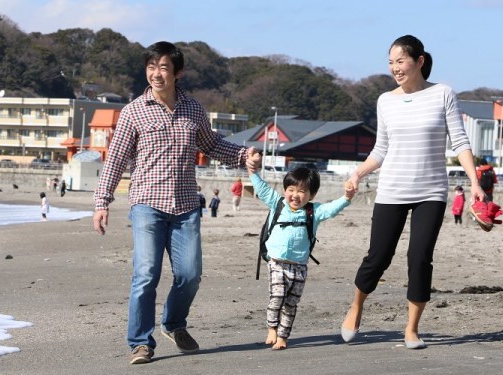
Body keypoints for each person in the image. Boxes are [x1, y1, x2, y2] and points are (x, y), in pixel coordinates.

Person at [92, 41, 260, 365]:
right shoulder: (133, 112)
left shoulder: (194, 109)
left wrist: (243, 155)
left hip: (185, 207)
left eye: (164, 68)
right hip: (146, 204)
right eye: (151, 67)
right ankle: (140, 342)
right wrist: (102, 202)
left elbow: (212, 145)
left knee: (190, 274)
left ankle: (173, 323)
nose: (156, 74)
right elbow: (115, 160)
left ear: (177, 72)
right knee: (146, 274)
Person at [340, 35, 485, 350]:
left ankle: (411, 329)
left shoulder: (443, 94)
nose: (395, 68)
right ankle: (356, 305)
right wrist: (357, 173)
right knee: (378, 257)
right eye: (391, 62)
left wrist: (474, 182)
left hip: (431, 190)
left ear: (419, 61)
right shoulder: (385, 100)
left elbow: (459, 141)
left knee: (419, 258)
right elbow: (381, 149)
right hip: (392, 188)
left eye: (400, 61)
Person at [249, 165, 355, 350]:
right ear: (285, 190)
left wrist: (347, 197)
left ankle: (283, 337)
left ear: (312, 195)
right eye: (291, 190)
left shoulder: (314, 212)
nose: (295, 195)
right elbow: (262, 189)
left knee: (291, 304)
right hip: (276, 263)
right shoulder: (278, 203)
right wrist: (252, 172)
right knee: (277, 296)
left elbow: (331, 209)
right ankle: (272, 328)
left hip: (299, 266)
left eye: (301, 191)